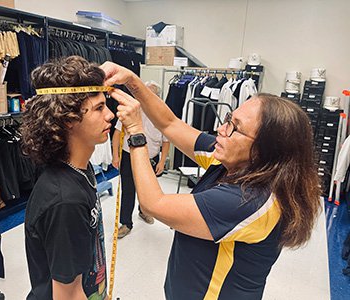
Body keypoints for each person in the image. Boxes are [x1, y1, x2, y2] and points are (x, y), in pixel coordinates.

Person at [100, 61, 322, 300]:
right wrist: (133, 81)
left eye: (234, 127)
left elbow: (154, 204)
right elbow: (170, 123)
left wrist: (135, 132)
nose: (220, 129)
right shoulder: (230, 160)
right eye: (228, 118)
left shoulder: (251, 201)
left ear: (264, 150)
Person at [21, 56, 113, 300]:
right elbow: (68, 294)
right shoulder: (65, 201)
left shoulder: (80, 168)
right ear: (69, 120)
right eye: (99, 108)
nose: (110, 115)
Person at [112, 81, 170, 238]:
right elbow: (117, 133)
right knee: (128, 189)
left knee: (148, 191)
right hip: (128, 155)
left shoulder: (162, 113)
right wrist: (115, 156)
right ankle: (126, 223)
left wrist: (162, 161)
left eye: (151, 95)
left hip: (151, 158)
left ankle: (144, 212)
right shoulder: (131, 110)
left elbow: (166, 141)